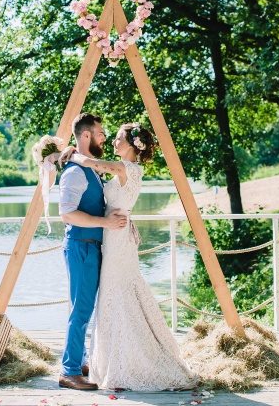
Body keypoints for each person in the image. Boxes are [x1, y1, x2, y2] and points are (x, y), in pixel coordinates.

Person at [60, 122, 199, 391]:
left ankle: (119, 360)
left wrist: (70, 153)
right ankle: (98, 361)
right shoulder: (121, 169)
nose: (113, 141)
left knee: (114, 295)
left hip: (116, 237)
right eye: (109, 137)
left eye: (118, 138)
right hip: (110, 237)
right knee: (110, 297)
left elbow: (92, 163)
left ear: (133, 144)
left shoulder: (127, 168)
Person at [57, 113, 128, 391]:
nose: (104, 138)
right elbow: (67, 214)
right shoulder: (74, 172)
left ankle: (80, 360)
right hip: (81, 247)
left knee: (85, 308)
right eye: (100, 134)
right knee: (81, 310)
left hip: (91, 248)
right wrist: (105, 223)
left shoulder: (88, 168)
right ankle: (69, 371)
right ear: (86, 135)